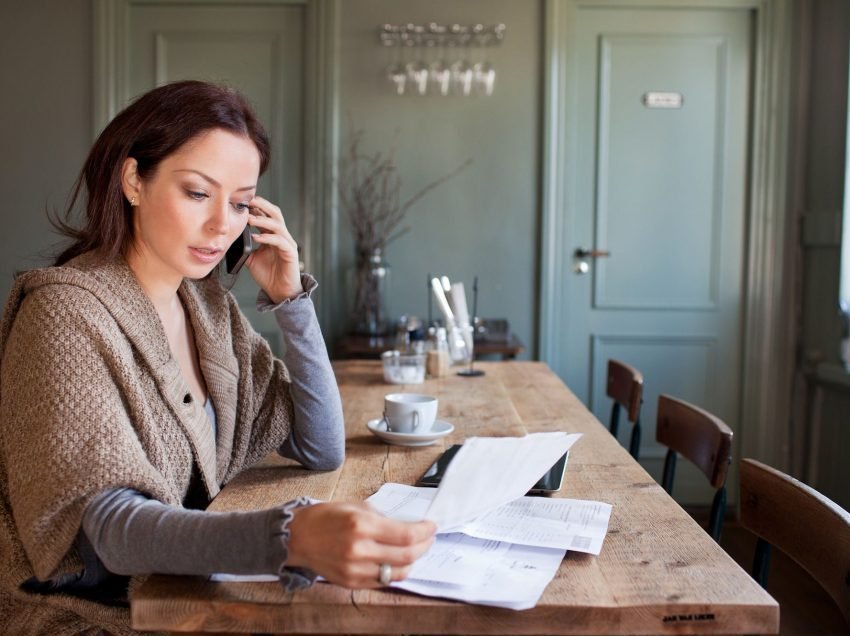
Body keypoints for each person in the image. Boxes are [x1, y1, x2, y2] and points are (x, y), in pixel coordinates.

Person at [0, 80, 436, 635]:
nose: (221, 225)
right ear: (133, 180)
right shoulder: (62, 314)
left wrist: (290, 301)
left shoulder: (206, 307)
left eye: (238, 203)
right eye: (197, 193)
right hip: (84, 619)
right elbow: (107, 531)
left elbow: (319, 445)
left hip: (188, 603)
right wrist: (289, 537)